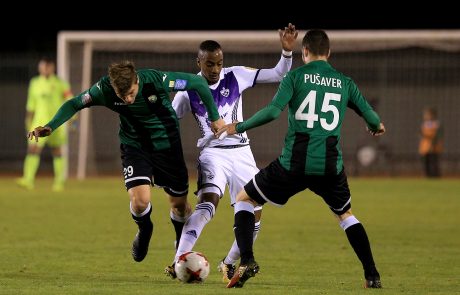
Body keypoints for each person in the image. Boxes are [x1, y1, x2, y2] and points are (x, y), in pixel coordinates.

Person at [217, 29, 386, 289]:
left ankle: (247, 260)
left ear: (304, 51)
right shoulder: (344, 82)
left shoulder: (295, 77)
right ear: (328, 53)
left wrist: (237, 127)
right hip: (330, 167)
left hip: (293, 165)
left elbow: (273, 112)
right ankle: (372, 275)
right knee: (346, 215)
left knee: (245, 199)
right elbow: (372, 118)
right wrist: (375, 126)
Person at [28, 60, 225, 263]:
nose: (128, 99)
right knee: (140, 202)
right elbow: (75, 103)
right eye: (123, 96)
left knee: (179, 206)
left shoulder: (156, 80)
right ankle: (145, 228)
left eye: (131, 93)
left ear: (136, 81)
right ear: (114, 88)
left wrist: (214, 116)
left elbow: (198, 83)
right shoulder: (103, 89)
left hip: (167, 145)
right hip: (135, 146)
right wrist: (51, 126)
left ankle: (179, 247)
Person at [165, 24, 298, 282]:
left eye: (219, 63)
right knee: (208, 202)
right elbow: (170, 121)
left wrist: (286, 51)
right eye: (209, 64)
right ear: (199, 62)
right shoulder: (187, 90)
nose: (215, 69)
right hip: (212, 154)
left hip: (242, 153)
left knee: (254, 210)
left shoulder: (236, 75)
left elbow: (279, 74)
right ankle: (178, 260)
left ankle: (228, 263)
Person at [16, 57, 73, 192]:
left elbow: (70, 101)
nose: (45, 69)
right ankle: (28, 180)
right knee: (33, 149)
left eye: (48, 66)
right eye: (43, 66)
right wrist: (28, 121)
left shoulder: (61, 83)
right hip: (38, 123)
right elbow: (31, 104)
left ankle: (59, 182)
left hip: (55, 124)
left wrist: (72, 120)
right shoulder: (35, 83)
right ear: (39, 68)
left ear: (53, 68)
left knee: (57, 151)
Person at [419, 106, 443, 177]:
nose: (426, 116)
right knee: (426, 163)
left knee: (434, 163)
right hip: (425, 147)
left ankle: (435, 176)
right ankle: (427, 175)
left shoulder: (437, 124)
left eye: (427, 114)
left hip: (434, 147)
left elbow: (438, 136)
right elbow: (421, 134)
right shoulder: (424, 124)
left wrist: (433, 144)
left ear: (433, 115)